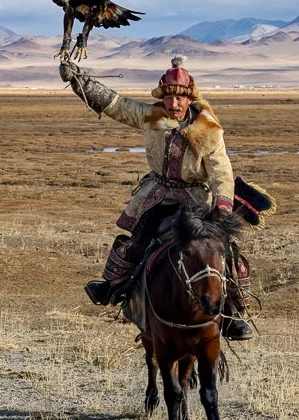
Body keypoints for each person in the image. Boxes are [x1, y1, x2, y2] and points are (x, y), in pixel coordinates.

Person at [62, 55, 255, 341]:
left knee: (226, 251)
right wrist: (79, 82)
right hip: (157, 196)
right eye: (169, 98)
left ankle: (234, 313)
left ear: (190, 98)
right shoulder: (152, 116)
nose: (174, 104)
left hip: (195, 200)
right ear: (162, 97)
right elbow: (117, 105)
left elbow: (221, 172)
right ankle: (113, 287)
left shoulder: (209, 130)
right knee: (137, 243)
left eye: (180, 99)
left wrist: (222, 207)